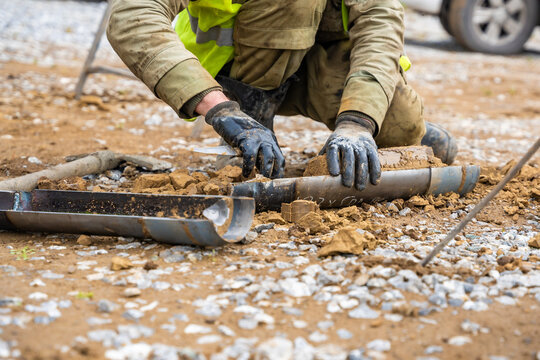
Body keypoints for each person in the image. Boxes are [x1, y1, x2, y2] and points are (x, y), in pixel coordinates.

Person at [107, 0, 457, 190]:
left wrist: (358, 122)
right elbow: (131, 15)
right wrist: (221, 109)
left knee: (400, 127)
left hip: (319, 67)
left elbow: (380, 24)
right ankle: (251, 134)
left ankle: (404, 127)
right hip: (239, 76)